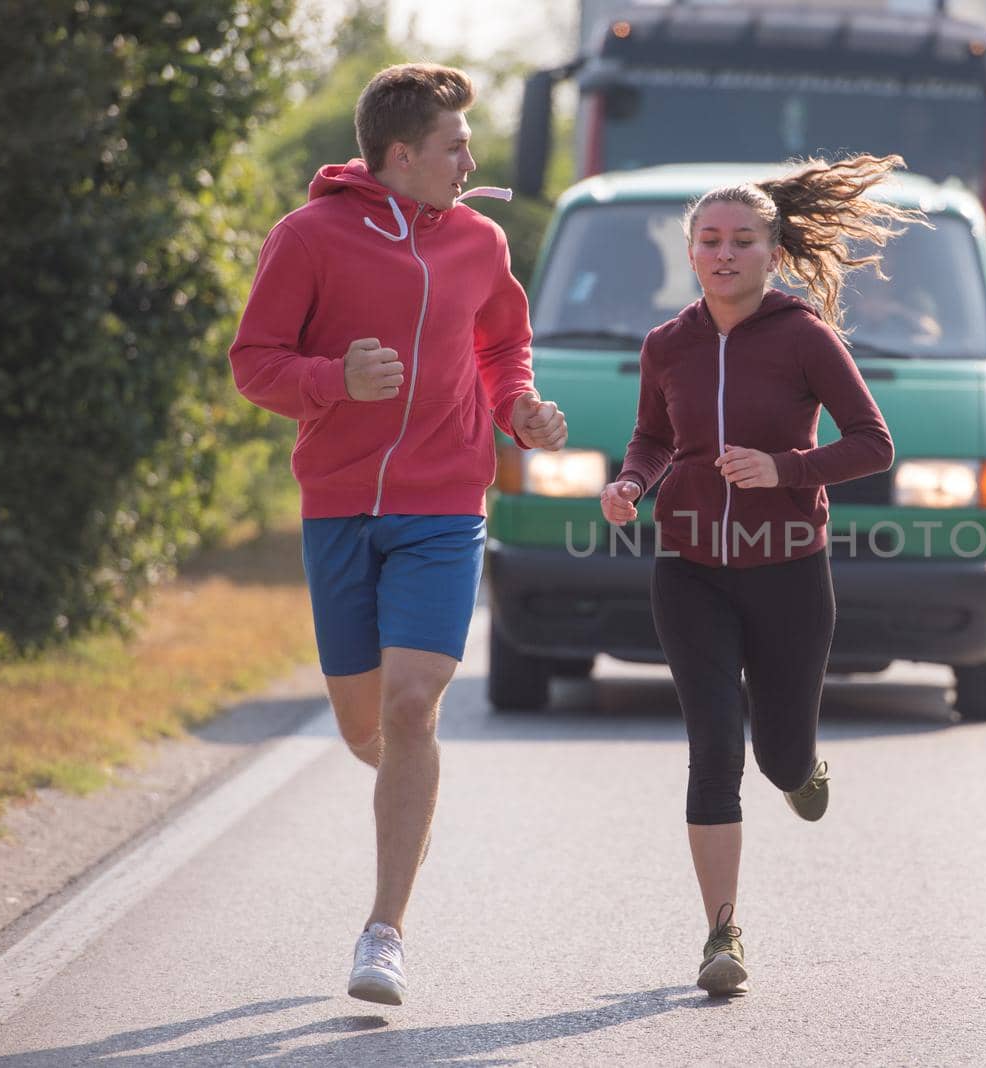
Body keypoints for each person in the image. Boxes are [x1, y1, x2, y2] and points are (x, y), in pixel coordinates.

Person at [228, 63, 567, 1006]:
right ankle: (408, 793)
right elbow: (254, 364)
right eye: (456, 145)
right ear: (401, 154)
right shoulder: (308, 238)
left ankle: (383, 933)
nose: (471, 159)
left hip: (444, 504)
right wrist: (337, 379)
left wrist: (521, 410)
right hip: (338, 504)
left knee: (415, 704)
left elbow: (500, 345)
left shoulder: (480, 241)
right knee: (365, 726)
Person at [600, 154, 915, 996]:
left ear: (771, 254)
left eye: (742, 240)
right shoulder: (666, 344)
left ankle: (802, 769)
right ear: (691, 253)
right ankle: (721, 933)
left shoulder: (804, 336)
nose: (725, 253)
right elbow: (654, 437)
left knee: (777, 756)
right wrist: (633, 482)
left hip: (788, 573)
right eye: (710, 240)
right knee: (713, 747)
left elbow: (872, 443)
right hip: (690, 567)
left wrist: (785, 470)